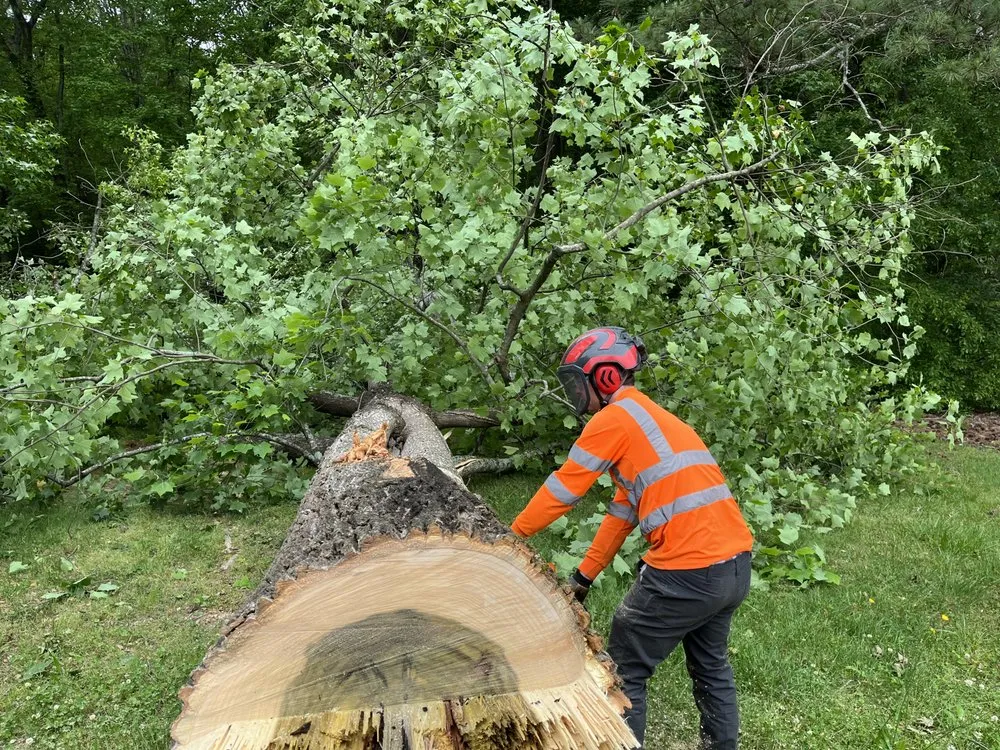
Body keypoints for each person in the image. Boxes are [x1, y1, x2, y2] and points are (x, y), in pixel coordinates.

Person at [512, 326, 754, 750]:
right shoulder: (657, 421)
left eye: (577, 383)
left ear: (605, 376)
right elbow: (622, 513)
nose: (576, 394)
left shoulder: (613, 419)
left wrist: (509, 536)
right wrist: (584, 576)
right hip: (734, 566)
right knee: (711, 667)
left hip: (686, 572)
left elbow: (564, 490)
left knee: (623, 672)